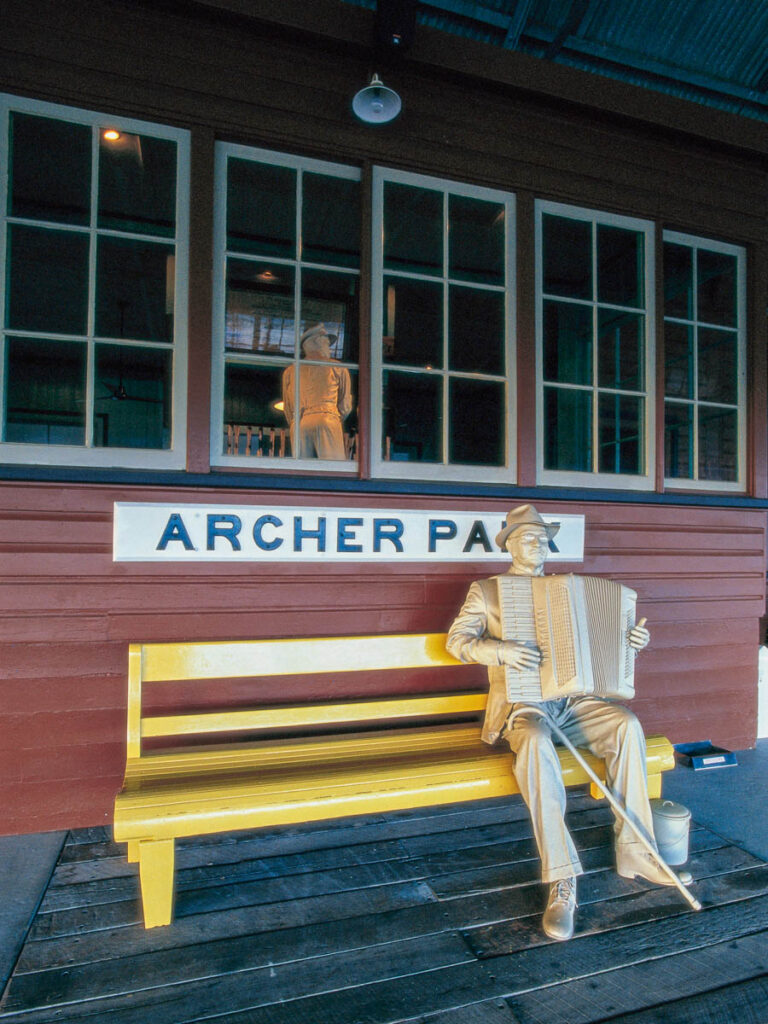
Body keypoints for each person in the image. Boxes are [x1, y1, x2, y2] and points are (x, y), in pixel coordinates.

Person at [446, 503, 674, 942]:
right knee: (532, 742)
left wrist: (631, 642)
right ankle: (562, 879)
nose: (538, 545)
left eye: (543, 538)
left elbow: (597, 645)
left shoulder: (566, 589)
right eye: (528, 537)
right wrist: (501, 651)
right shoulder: (489, 591)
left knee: (626, 725)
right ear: (509, 544)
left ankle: (635, 851)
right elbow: (459, 641)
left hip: (572, 703)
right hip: (524, 702)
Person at [282, 323, 353, 460]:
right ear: (317, 342)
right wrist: (333, 416)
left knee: (303, 474)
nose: (328, 347)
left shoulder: (290, 371)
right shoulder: (336, 367)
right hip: (327, 418)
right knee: (332, 471)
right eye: (326, 342)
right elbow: (345, 406)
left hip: (299, 424)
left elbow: (288, 409)